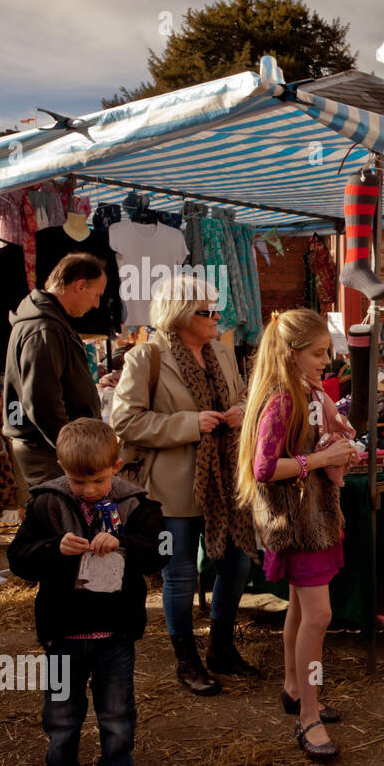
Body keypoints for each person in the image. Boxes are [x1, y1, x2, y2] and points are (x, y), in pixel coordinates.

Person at [7, 418, 169, 766]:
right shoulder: (45, 505)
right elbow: (18, 558)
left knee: (116, 714)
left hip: (114, 635)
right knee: (61, 716)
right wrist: (52, 550)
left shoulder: (139, 508)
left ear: (116, 466)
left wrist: (126, 545)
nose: (88, 489)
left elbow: (160, 555)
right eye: (77, 481)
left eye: (96, 480)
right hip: (63, 634)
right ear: (62, 468)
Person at [110, 275, 256, 697]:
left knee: (237, 563)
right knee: (180, 574)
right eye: (206, 311)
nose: (216, 317)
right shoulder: (146, 358)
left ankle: (221, 648)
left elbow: (246, 396)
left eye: (216, 308)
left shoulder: (224, 354)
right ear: (179, 314)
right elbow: (125, 421)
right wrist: (188, 424)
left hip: (226, 483)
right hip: (172, 488)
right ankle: (186, 660)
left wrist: (240, 412)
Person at [237, 309, 356, 762]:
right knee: (319, 616)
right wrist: (322, 461)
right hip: (299, 523)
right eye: (319, 353)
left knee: (301, 606)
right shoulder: (285, 399)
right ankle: (308, 716)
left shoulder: (301, 392)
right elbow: (264, 469)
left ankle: (293, 686)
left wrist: (331, 453)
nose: (327, 360)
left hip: (308, 518)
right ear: (291, 354)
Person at [2, 253, 106, 487]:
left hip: (50, 445)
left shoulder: (48, 321)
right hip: (47, 449)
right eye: (96, 295)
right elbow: (42, 400)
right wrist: (69, 450)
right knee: (61, 519)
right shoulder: (44, 328)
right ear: (80, 286)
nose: (97, 304)